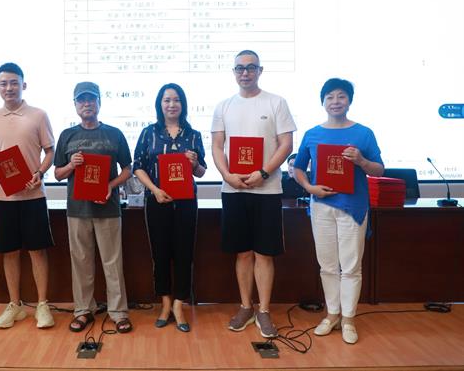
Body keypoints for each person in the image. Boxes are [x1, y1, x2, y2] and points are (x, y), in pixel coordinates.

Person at [211, 50, 296, 338]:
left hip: (267, 189)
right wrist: (227, 175)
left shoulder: (276, 102)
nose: (245, 73)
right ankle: (246, 306)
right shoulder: (223, 106)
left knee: (265, 253)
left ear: (260, 70)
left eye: (250, 68)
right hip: (233, 189)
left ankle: (264, 310)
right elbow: (217, 145)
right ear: (234, 72)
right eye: (239, 68)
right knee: (243, 252)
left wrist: (264, 172)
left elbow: (286, 144)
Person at [293, 78, 384, 344]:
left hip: (353, 206)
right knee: (328, 265)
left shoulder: (363, 133)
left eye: (341, 96)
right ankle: (332, 314)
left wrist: (362, 160)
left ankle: (348, 319)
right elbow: (298, 168)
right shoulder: (312, 133)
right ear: (323, 102)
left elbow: (379, 169)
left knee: (351, 266)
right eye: (330, 97)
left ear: (349, 101)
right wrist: (310, 187)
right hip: (321, 205)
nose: (335, 101)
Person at [54, 81, 133, 334]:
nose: (86, 104)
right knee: (81, 262)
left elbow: (128, 169)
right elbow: (57, 174)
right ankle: (83, 310)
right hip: (77, 210)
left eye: (91, 99)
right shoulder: (67, 135)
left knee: (113, 262)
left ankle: (118, 312)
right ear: (75, 105)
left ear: (99, 102)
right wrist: (71, 165)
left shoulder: (114, 134)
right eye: (81, 100)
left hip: (108, 208)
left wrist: (110, 185)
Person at [0, 62, 55, 329]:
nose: (9, 88)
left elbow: (50, 151)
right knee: (9, 251)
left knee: (37, 250)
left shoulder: (38, 115)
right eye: (4, 83)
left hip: (33, 195)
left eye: (14, 82)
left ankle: (43, 304)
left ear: (24, 85)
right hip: (2, 197)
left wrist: (40, 172)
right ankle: (15, 304)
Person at [133, 83, 206, 332]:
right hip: (157, 201)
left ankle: (178, 305)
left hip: (186, 203)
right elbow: (138, 166)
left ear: (183, 104)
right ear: (160, 104)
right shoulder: (148, 133)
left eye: (176, 100)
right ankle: (165, 303)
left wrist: (194, 163)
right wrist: (154, 189)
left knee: (184, 254)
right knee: (160, 253)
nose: (172, 104)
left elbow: (201, 172)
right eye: (167, 100)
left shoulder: (193, 135)